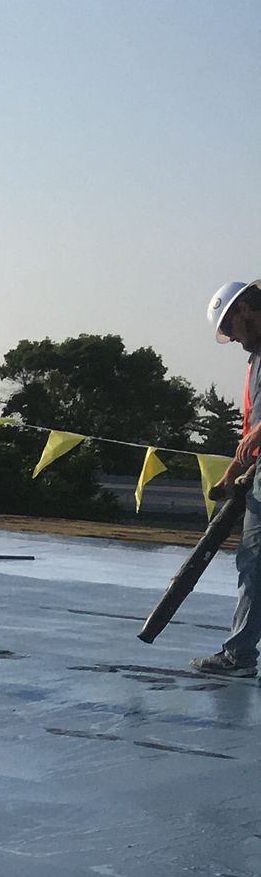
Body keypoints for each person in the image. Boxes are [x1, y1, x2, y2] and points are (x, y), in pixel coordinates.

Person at [193, 279, 261, 675]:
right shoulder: (256, 362)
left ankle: (239, 657)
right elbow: (250, 428)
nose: (232, 338)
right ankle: (240, 653)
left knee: (255, 562)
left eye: (230, 328)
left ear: (244, 309)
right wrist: (233, 473)